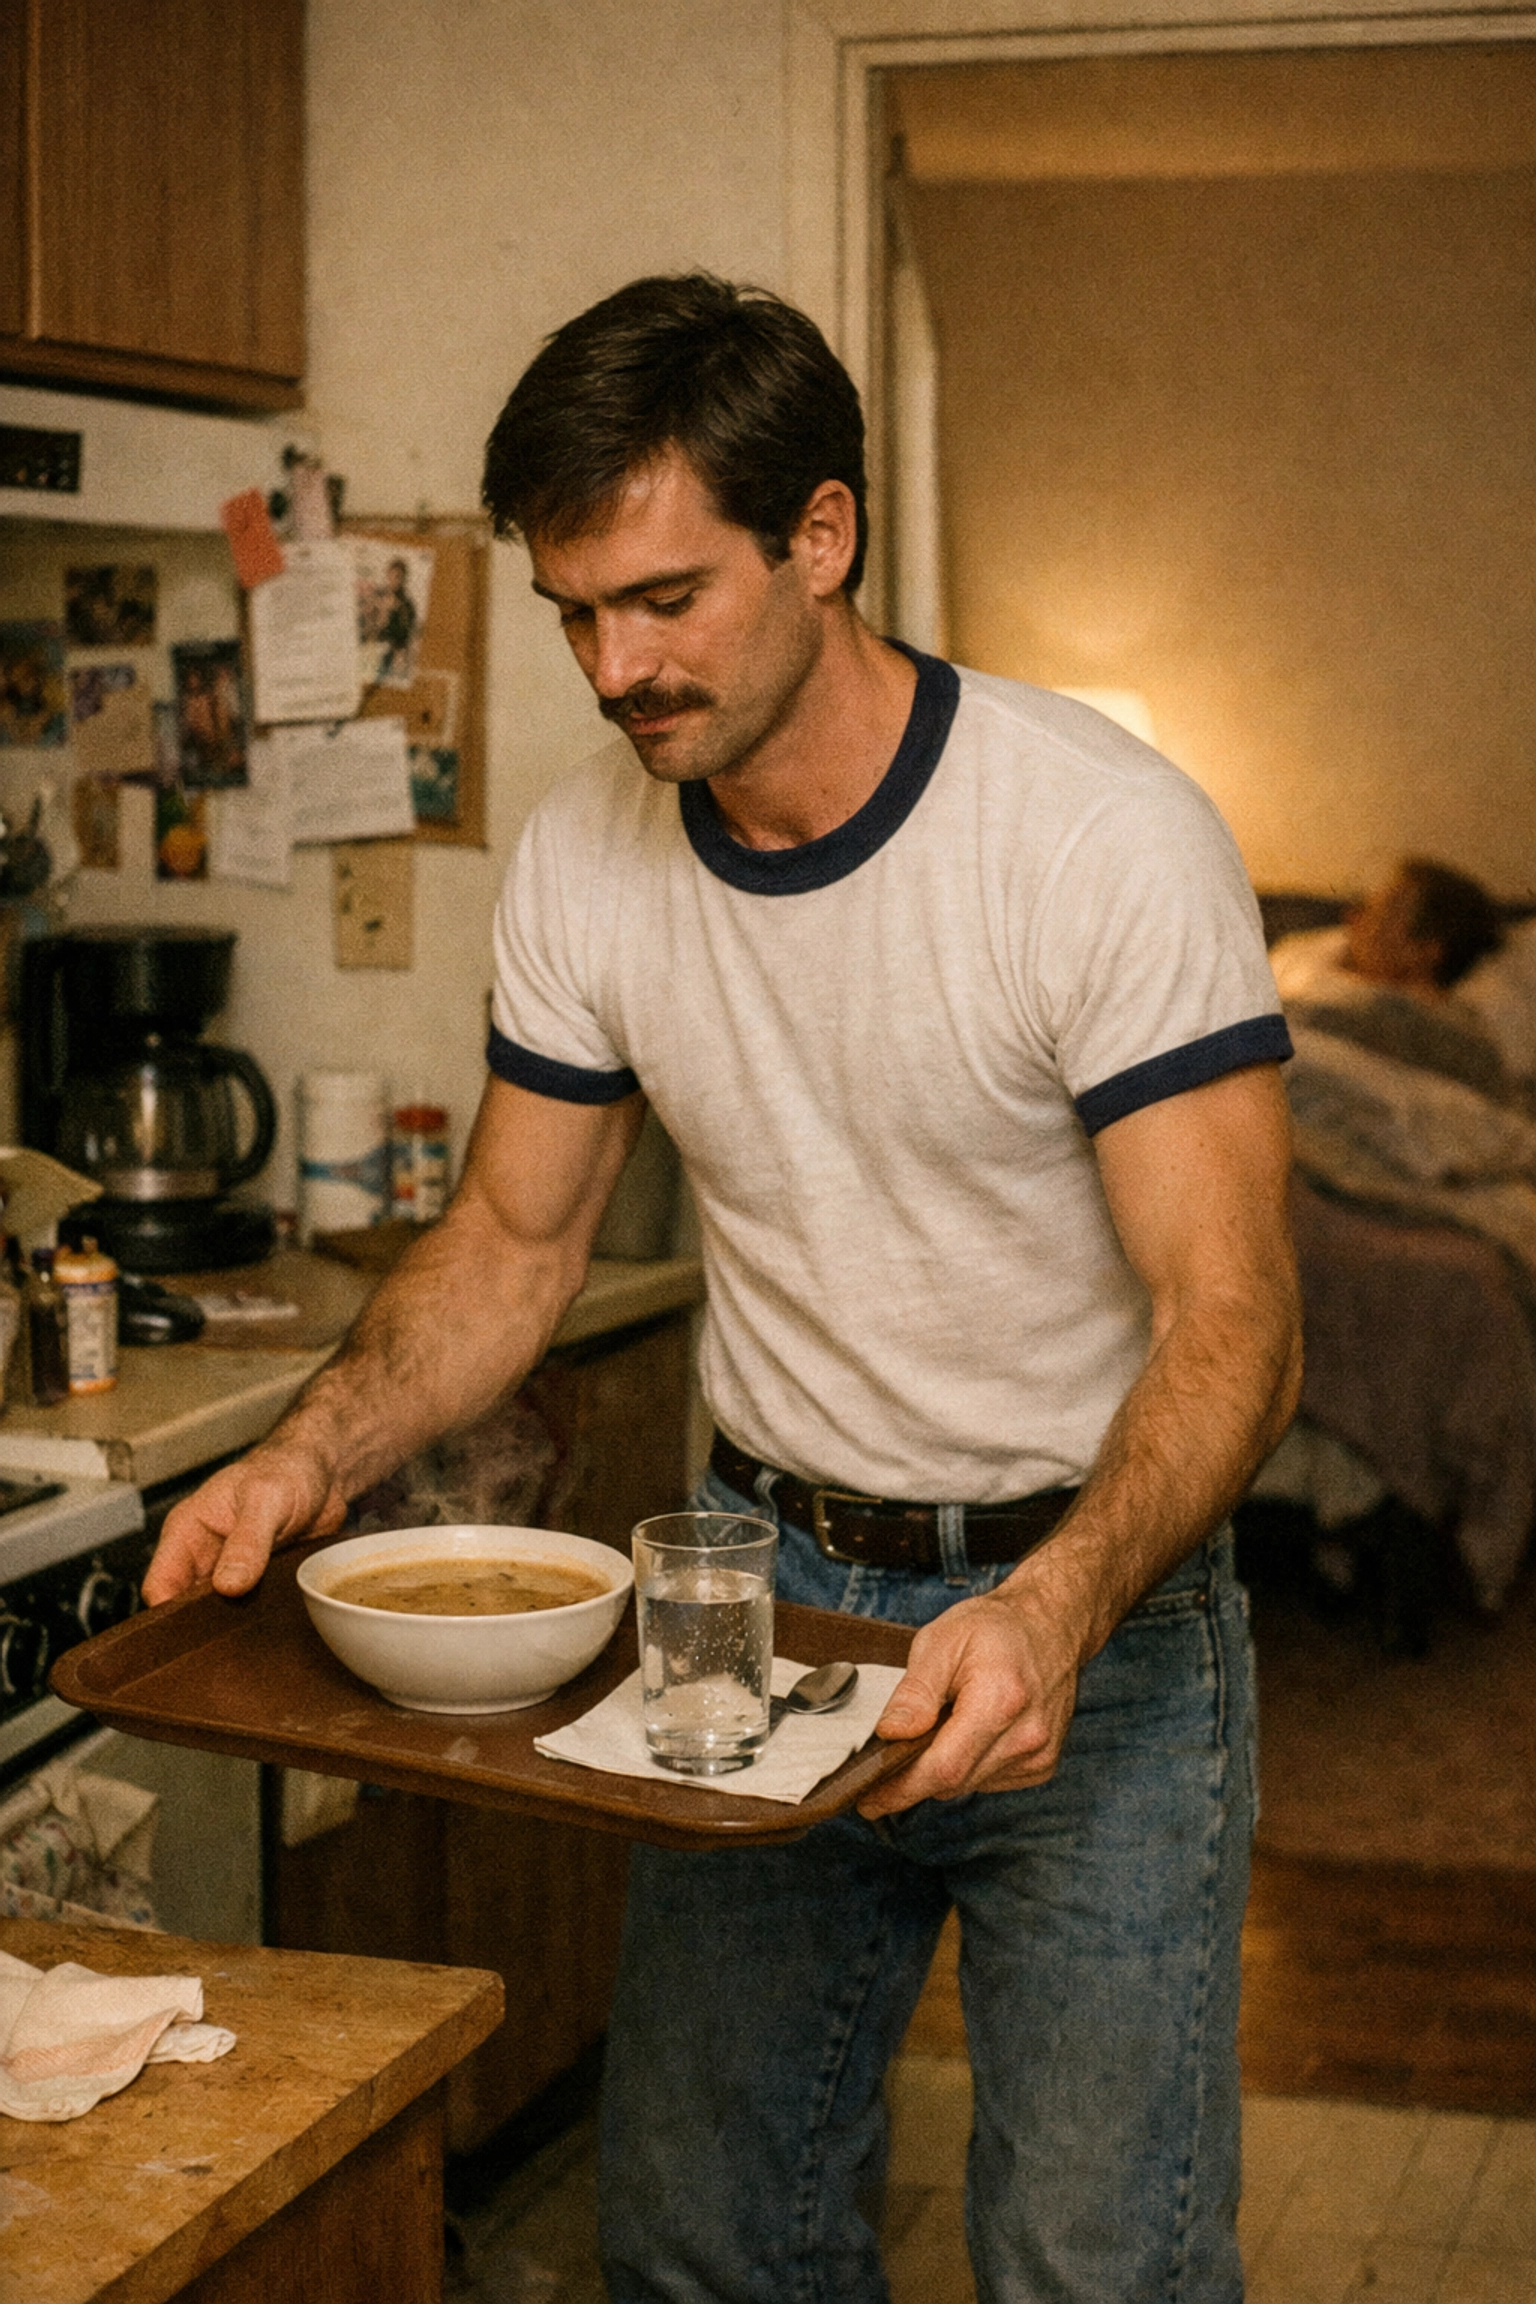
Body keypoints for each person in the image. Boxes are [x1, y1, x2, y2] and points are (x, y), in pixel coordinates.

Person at [144, 274, 1301, 2303]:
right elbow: (512, 1246)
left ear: (821, 537)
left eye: (667, 598)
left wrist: (1050, 1606)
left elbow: (1237, 1319)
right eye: (580, 610)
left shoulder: (1096, 840)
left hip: (1096, 1631)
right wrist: (303, 1458)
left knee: (1098, 2266)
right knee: (695, 2243)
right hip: (754, 1620)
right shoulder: (590, 865)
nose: (620, 667)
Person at [1271, 856, 1503, 1004]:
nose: (1350, 918)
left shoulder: (1443, 1032)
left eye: (1377, 918)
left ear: (1425, 952)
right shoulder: (1307, 964)